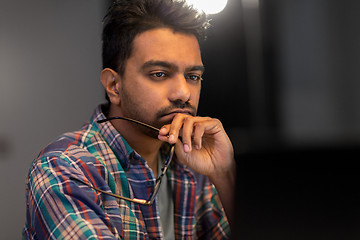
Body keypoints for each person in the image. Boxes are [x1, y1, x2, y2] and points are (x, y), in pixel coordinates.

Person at [23, 0, 236, 239]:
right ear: (114, 86)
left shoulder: (192, 164)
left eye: (193, 76)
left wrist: (223, 174)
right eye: (159, 74)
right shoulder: (64, 167)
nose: (183, 93)